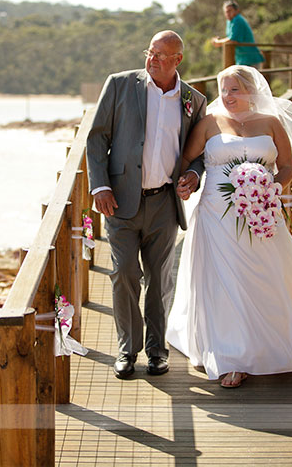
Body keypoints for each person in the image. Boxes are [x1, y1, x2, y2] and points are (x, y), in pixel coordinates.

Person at [166, 65, 292, 389]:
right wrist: (191, 178)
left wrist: (270, 188)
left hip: (261, 215)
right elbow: (189, 161)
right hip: (216, 216)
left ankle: (270, 346)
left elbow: (287, 167)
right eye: (223, 90)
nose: (227, 96)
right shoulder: (208, 124)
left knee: (264, 277)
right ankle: (231, 357)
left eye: (235, 89)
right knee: (225, 283)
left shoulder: (271, 123)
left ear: (251, 91)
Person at [87, 30, 207, 380]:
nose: (151, 59)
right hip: (120, 201)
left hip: (164, 204)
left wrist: (194, 176)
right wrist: (101, 186)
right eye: (149, 52)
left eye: (159, 55)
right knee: (124, 273)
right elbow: (97, 139)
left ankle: (157, 351)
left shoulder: (193, 101)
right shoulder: (120, 85)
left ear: (177, 60)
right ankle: (127, 349)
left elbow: (198, 154)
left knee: (160, 280)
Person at [212, 0, 265, 68]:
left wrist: (218, 42)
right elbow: (231, 38)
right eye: (226, 12)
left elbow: (233, 40)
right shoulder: (230, 21)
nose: (228, 13)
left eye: (230, 11)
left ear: (236, 10)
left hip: (249, 59)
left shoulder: (237, 20)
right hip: (242, 59)